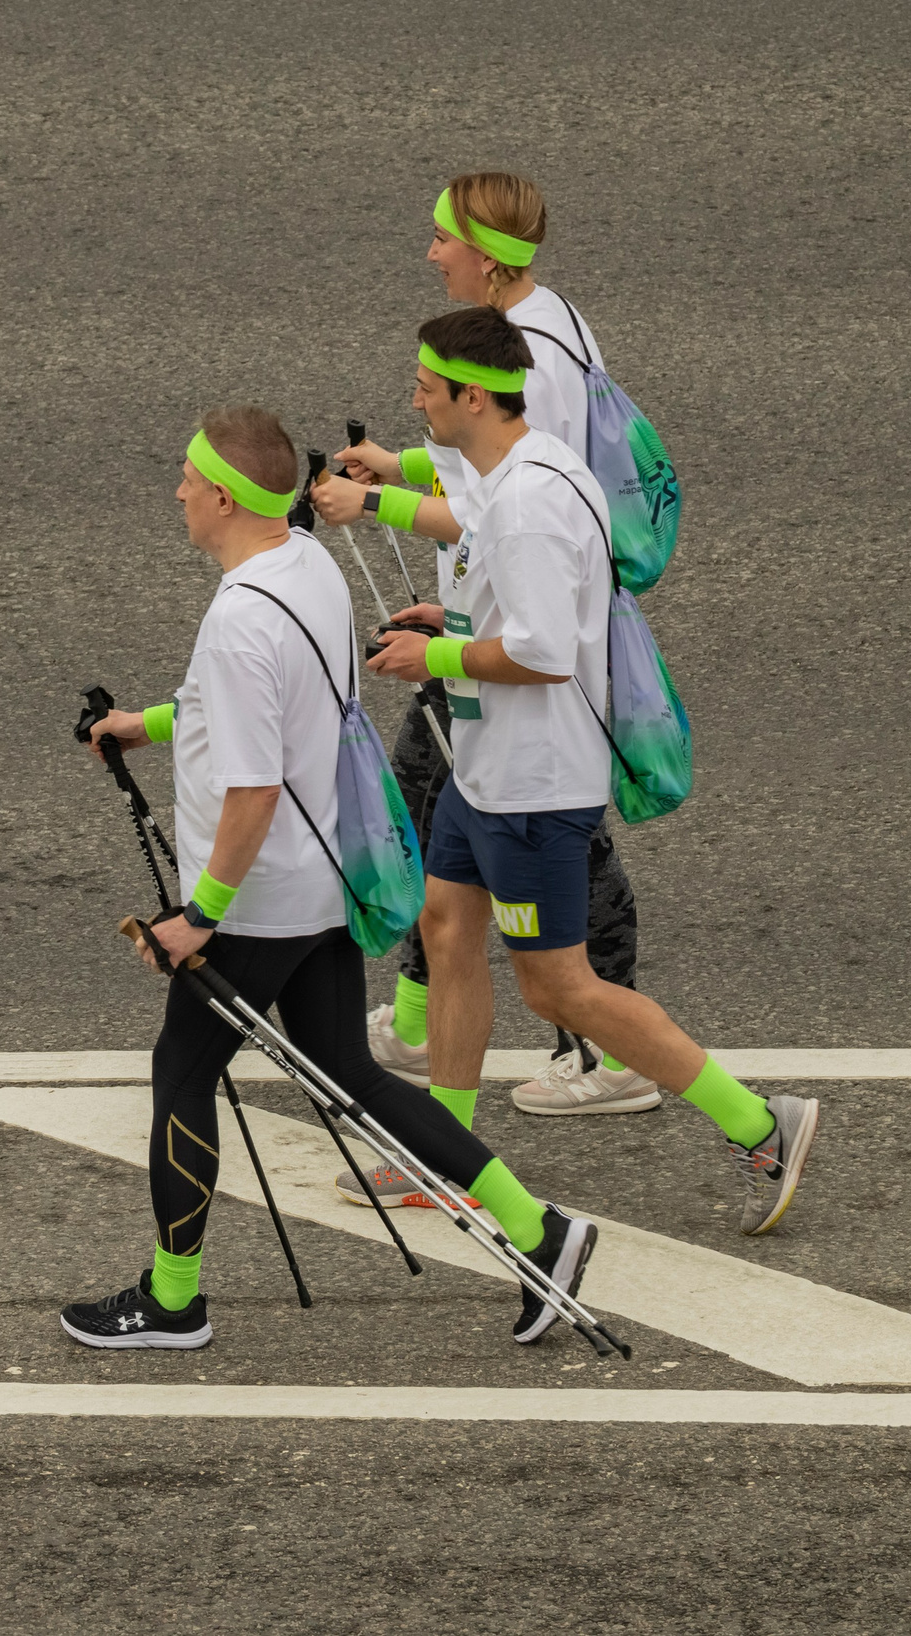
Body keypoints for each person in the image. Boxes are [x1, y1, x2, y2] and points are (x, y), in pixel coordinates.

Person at [59, 405, 600, 1352]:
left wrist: (198, 916)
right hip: (325, 883)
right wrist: (147, 722)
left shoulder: (235, 619)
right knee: (352, 1073)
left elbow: (253, 790)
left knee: (180, 1072)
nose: (178, 491)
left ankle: (173, 1298)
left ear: (222, 496)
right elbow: (267, 696)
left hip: (258, 899)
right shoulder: (303, 565)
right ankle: (539, 1229)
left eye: (188, 480)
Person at [355, 309, 817, 1236]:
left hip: (533, 786)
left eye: (425, 387)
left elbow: (543, 651)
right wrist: (446, 622)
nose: (414, 400)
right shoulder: (524, 471)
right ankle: (448, 1158)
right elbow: (513, 600)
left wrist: (434, 662)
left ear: (472, 395)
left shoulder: (524, 505)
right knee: (447, 930)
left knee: (558, 988)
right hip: (487, 772)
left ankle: (763, 1123)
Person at [313, 172, 654, 1126]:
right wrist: (403, 463)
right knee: (449, 860)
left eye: (441, 237)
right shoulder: (537, 325)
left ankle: (608, 1045)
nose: (430, 253)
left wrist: (375, 502)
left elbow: (499, 506)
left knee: (545, 851)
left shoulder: (529, 361)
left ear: (488, 252)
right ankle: (433, 1035)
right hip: (495, 631)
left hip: (529, 658)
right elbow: (485, 460)